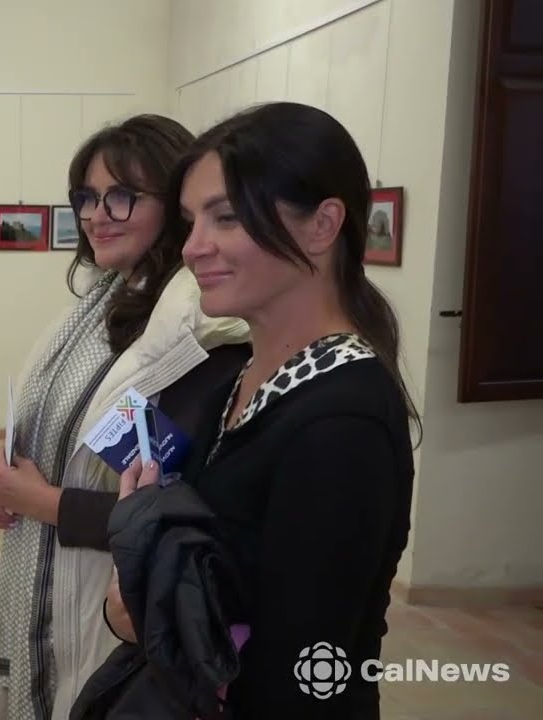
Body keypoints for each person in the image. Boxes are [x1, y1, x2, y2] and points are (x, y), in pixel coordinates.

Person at [104, 101, 420, 718]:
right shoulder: (245, 375)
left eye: (225, 217)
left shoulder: (340, 422)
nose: (194, 247)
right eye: (191, 221)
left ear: (322, 225)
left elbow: (303, 670)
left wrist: (145, 612)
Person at [0, 115, 251, 720]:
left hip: (104, 598)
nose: (96, 215)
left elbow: (176, 510)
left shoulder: (194, 338)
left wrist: (44, 501)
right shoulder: (98, 305)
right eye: (86, 197)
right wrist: (4, 482)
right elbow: (64, 433)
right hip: (40, 570)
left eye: (122, 196)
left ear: (174, 205)